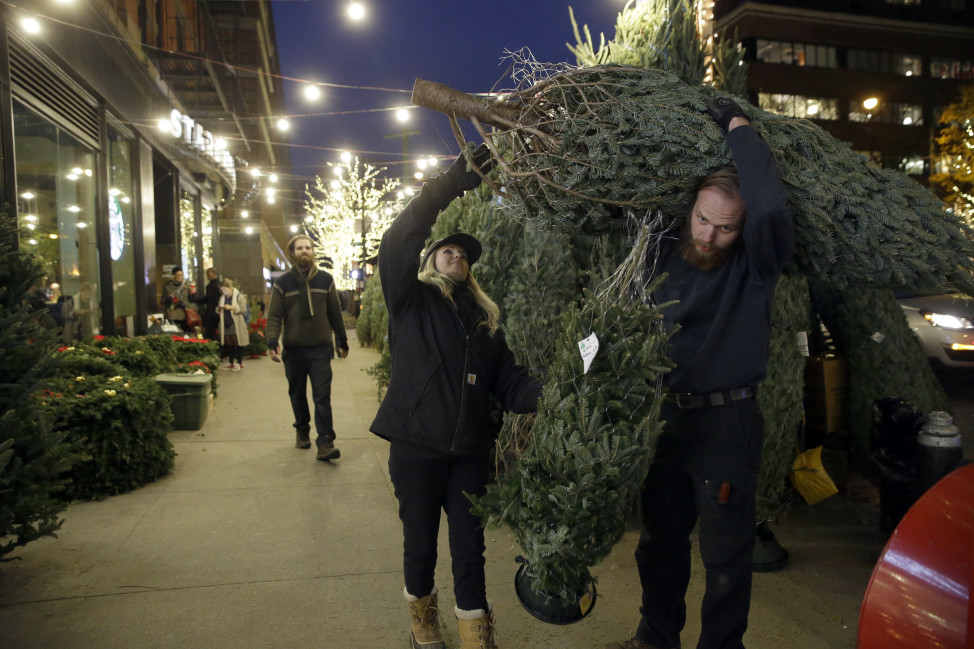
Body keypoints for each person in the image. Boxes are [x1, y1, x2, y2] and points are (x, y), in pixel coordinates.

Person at [607, 99, 795, 649]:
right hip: (665, 419)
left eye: (726, 228)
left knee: (725, 556)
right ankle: (656, 636)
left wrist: (739, 128)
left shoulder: (756, 264)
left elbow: (770, 207)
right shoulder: (659, 250)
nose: (710, 236)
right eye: (702, 219)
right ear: (689, 209)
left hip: (727, 424)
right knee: (658, 544)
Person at [370, 146, 542, 649]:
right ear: (428, 260)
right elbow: (399, 236)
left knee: (470, 550)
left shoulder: (485, 323)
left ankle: (475, 633)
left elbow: (509, 381)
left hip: (467, 451)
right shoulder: (411, 302)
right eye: (448, 251)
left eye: (464, 255)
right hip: (416, 448)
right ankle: (423, 621)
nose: (458, 257)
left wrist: (549, 397)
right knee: (420, 544)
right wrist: (454, 180)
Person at [265, 235, 349, 461]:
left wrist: (342, 340)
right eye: (300, 248)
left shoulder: (325, 280)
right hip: (294, 350)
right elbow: (274, 316)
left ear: (313, 252)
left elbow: (335, 313)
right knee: (298, 394)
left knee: (322, 396)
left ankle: (325, 442)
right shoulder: (282, 283)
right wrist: (272, 342)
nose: (304, 251)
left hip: (321, 349)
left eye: (308, 248)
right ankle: (302, 428)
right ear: (292, 253)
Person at [217, 278, 250, 371]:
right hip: (225, 323)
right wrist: (219, 309)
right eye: (222, 290)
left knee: (238, 342)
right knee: (228, 343)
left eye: (225, 290)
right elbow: (218, 309)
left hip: (236, 323)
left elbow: (244, 309)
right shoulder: (222, 298)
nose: (223, 292)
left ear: (230, 288)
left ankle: (239, 363)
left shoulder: (238, 296)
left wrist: (232, 308)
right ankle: (231, 362)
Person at [162, 267, 191, 331]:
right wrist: (168, 298)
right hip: (172, 315)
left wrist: (194, 293)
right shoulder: (167, 286)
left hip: (184, 315)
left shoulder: (186, 285)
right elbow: (162, 301)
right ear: (173, 276)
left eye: (181, 275)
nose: (180, 277)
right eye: (178, 275)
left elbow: (191, 299)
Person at [197, 267, 222, 340]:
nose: (207, 276)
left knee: (212, 333)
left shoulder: (217, 286)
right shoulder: (210, 286)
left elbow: (210, 299)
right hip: (211, 313)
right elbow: (208, 299)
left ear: (214, 274)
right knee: (210, 333)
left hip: (214, 313)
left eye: (209, 274)